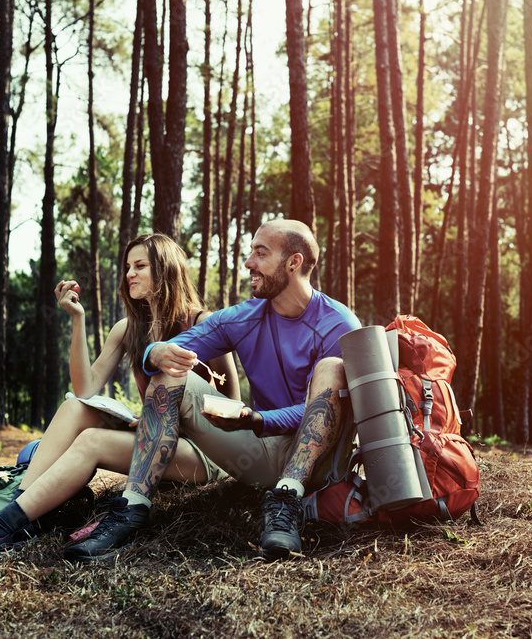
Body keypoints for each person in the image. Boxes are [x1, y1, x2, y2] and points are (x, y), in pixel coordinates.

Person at [65, 219, 361, 561]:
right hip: (262, 452)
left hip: (318, 463)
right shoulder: (243, 317)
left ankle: (287, 501)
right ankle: (131, 509)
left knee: (331, 368)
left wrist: (259, 419)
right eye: (250, 252)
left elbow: (332, 409)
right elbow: (172, 350)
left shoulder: (338, 322)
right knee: (170, 369)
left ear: (293, 262)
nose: (248, 262)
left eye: (260, 253)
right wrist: (155, 352)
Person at [0, 234, 238, 560]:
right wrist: (78, 320)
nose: (129, 274)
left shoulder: (204, 324)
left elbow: (233, 408)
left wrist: (166, 422)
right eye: (127, 267)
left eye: (140, 266)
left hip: (205, 452)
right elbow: (85, 390)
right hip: (155, 441)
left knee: (92, 441)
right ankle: (16, 515)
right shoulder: (127, 329)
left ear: (165, 269)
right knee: (75, 408)